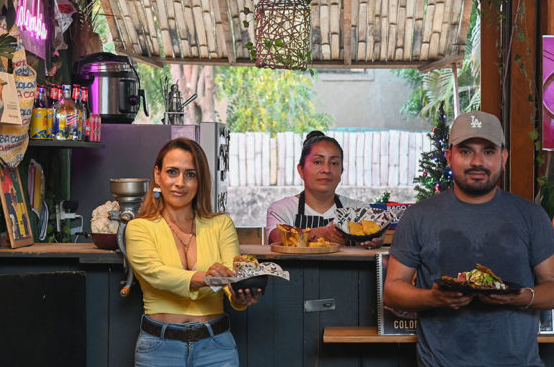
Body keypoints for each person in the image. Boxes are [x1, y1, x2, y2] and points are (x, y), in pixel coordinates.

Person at [384, 111, 554, 367]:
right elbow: (392, 291)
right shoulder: (418, 216)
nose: (477, 162)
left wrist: (519, 297)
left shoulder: (531, 216)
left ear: (503, 157)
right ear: (449, 156)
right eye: (466, 151)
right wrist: (434, 298)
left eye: (488, 151)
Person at [125, 137, 260, 367]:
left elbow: (231, 278)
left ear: (200, 181)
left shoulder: (221, 225)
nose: (180, 183)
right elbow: (157, 274)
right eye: (172, 172)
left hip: (216, 348)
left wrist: (239, 296)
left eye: (190, 174)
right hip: (159, 349)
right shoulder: (139, 227)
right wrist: (206, 278)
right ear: (157, 175)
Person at [265, 131, 382, 248]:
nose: (326, 170)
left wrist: (376, 238)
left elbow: (376, 231)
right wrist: (319, 234)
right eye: (318, 162)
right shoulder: (282, 209)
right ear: (301, 170)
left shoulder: (359, 209)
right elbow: (277, 238)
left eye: (334, 163)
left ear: (341, 172)